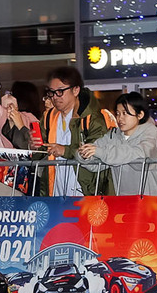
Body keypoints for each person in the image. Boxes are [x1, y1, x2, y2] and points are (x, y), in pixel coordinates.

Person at [39, 66, 113, 196]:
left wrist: (65, 151)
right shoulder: (49, 117)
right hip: (55, 190)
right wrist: (34, 144)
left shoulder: (93, 119)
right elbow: (41, 151)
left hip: (85, 191)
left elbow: (96, 152)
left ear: (76, 90)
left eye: (60, 91)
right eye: (51, 92)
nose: (55, 97)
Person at [77, 92, 157, 196]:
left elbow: (138, 155)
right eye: (118, 113)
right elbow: (96, 164)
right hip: (125, 200)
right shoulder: (113, 135)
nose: (120, 118)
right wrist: (84, 155)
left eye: (125, 113)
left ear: (140, 115)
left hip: (153, 199)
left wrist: (100, 152)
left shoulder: (150, 131)